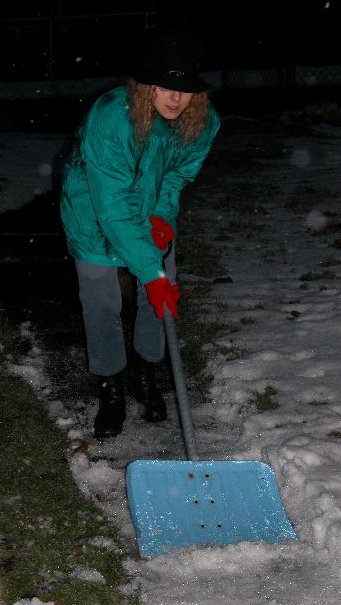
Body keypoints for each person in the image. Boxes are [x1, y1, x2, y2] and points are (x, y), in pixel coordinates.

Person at [60, 28, 220, 439]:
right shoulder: (113, 115)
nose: (174, 97)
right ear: (145, 84)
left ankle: (144, 376)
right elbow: (112, 206)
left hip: (148, 210)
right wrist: (151, 272)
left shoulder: (202, 122)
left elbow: (177, 175)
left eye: (184, 88)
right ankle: (110, 387)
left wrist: (163, 216)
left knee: (158, 303)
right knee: (102, 305)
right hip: (93, 213)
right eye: (165, 85)